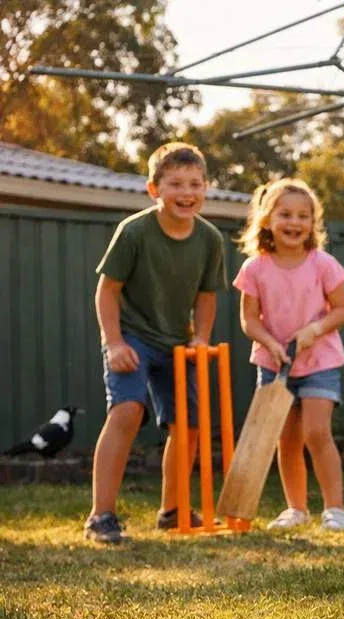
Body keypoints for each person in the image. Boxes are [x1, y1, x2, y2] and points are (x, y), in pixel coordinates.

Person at [86, 142, 227, 544]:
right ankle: (101, 516)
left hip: (177, 341)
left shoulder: (210, 238)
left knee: (191, 424)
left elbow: (206, 296)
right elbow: (107, 291)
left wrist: (201, 337)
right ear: (154, 189)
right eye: (175, 184)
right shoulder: (134, 232)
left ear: (206, 188)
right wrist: (113, 343)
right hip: (131, 335)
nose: (186, 192)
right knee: (127, 411)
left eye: (195, 184)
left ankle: (172, 510)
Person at [233, 178, 344, 532]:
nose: (294, 222)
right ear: (267, 220)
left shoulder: (322, 263)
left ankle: (336, 508)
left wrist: (314, 330)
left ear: (313, 223)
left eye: (304, 216)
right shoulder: (255, 268)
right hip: (275, 365)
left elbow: (343, 310)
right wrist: (270, 343)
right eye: (285, 214)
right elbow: (248, 320)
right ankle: (295, 509)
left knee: (316, 433)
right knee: (286, 438)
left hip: (320, 362)